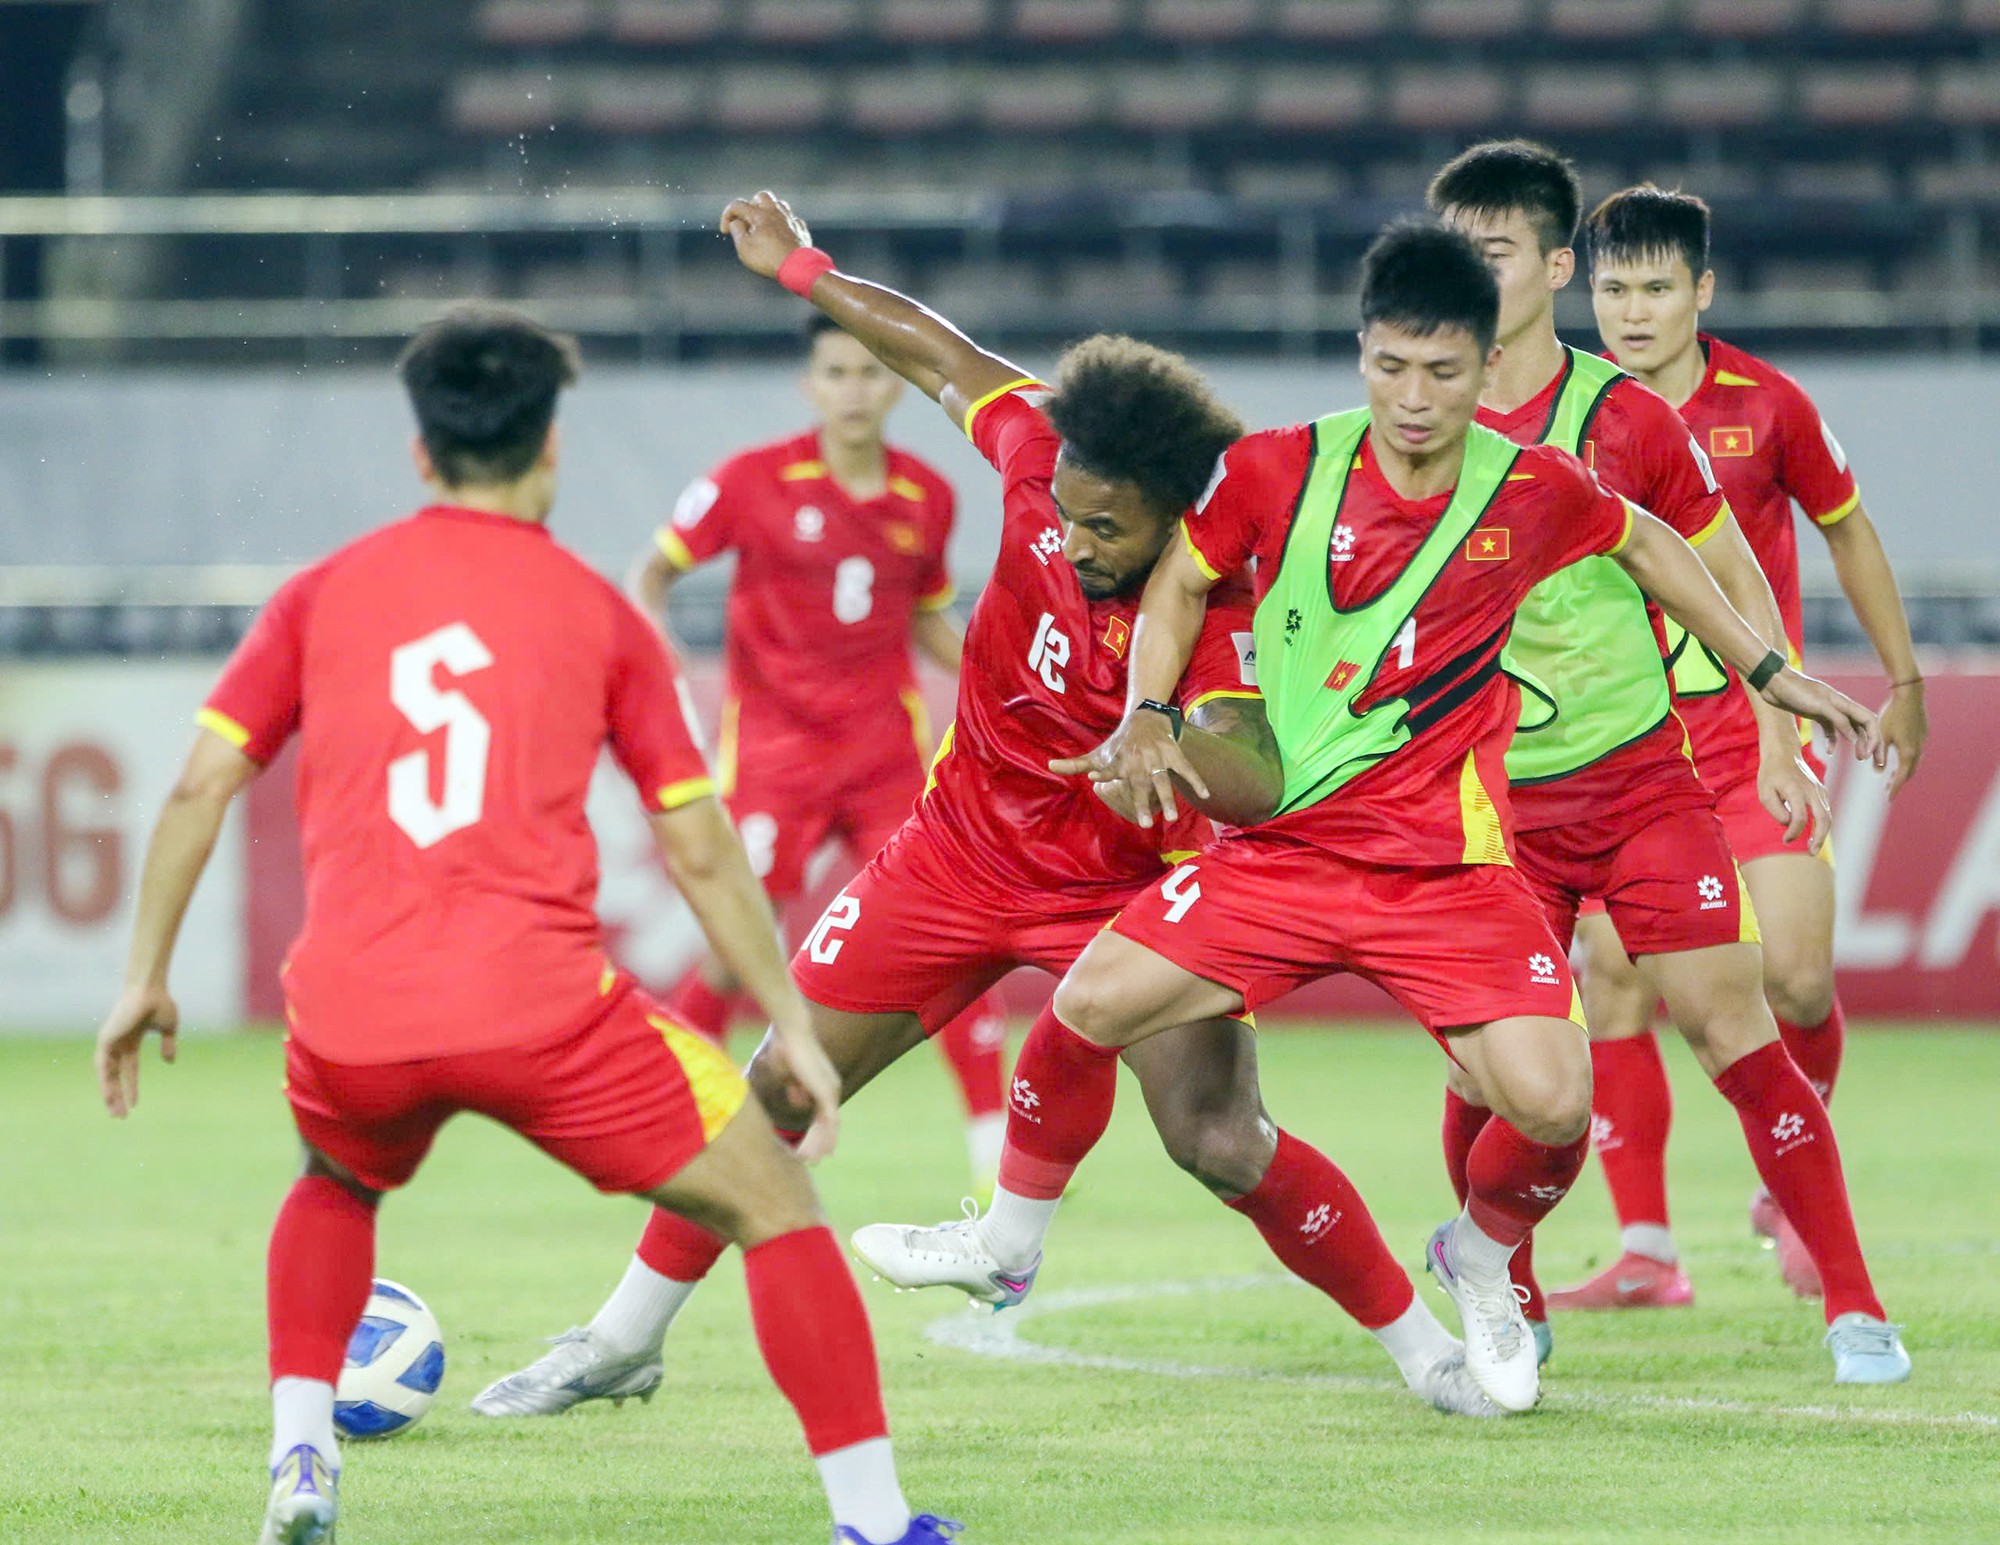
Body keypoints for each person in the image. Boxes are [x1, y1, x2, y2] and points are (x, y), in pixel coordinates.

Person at [474, 191, 1503, 1427]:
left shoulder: (1227, 596)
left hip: (1128, 890)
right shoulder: (1035, 454)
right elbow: (926, 347)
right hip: (952, 857)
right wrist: (802, 268)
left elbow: (1261, 768)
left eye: (1102, 527)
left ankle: (1422, 1349)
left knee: (1219, 1139)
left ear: (1174, 520)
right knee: (778, 1087)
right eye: (1062, 511)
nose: (1068, 539)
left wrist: (1170, 748)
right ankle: (618, 1338)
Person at [859, 219, 1879, 1414]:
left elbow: (1650, 542)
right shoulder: (1274, 471)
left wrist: (1765, 674)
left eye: (1441, 372)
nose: (1413, 397)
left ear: (1476, 366)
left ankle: (1482, 1257)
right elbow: (1183, 578)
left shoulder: (1532, 491)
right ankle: (1009, 1236)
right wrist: (1146, 710)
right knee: (1086, 1001)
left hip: (1447, 868)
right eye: (1391, 367)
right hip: (1285, 853)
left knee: (1551, 1107)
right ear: (1362, 356)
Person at [91, 307, 959, 1545]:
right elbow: (700, 844)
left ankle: (298, 1457)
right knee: (771, 1205)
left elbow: (197, 786)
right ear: (550, 450)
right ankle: (872, 1524)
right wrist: (792, 1029)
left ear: (419, 454)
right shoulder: (596, 615)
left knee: (335, 1179)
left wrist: (143, 976)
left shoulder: (320, 596)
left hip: (351, 1008)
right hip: (542, 1011)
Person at [1426, 140, 1910, 1384]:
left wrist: (1773, 712)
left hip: (1642, 780)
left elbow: (1733, 574)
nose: (1471, 274)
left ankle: (1851, 1305)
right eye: (1455, 251)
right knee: (1492, 1064)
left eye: (1493, 250)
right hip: (1489, 804)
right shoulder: (1411, 417)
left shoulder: (1629, 419)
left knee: (1747, 1014)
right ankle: (1509, 1291)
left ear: (1552, 265)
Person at [1555, 182, 1928, 1305]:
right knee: (1611, 983)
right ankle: (1644, 1254)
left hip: (1749, 732)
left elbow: (1846, 534)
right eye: (1613, 288)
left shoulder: (1766, 406)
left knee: (1797, 979)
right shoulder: (1564, 417)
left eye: (1655, 288)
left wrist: (1900, 680)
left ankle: (1787, 1175)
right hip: (1617, 744)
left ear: (1699, 292)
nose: (1631, 310)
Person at [630, 310, 1009, 1194]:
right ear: (811, 384)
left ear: (896, 387)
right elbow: (650, 574)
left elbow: (925, 618)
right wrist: (658, 666)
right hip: (775, 757)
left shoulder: (928, 495)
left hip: (887, 759)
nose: (855, 390)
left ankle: (995, 1154)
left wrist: (1008, 680)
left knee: (948, 940)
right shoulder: (749, 482)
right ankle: (671, 1118)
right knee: (734, 948)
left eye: (872, 373)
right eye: (837, 372)